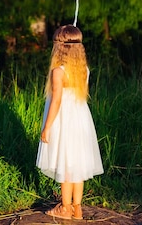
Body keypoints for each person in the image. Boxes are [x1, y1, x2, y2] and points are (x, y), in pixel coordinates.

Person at [36, 24, 103, 220]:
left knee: (66, 166)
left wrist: (47, 127)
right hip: (81, 120)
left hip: (64, 121)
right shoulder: (84, 69)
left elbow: (56, 101)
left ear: (60, 47)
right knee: (77, 166)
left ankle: (66, 208)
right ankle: (77, 208)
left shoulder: (58, 71)